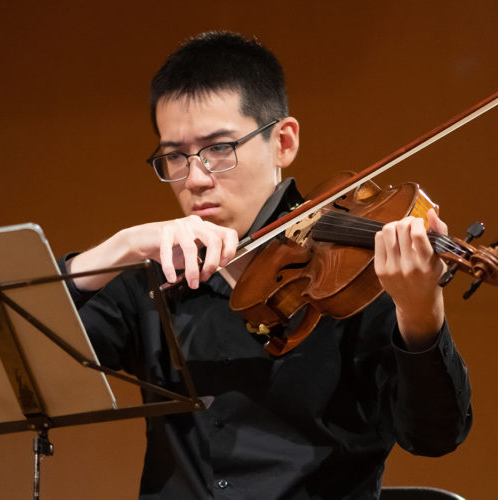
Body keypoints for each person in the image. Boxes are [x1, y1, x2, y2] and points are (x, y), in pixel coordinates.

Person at [59, 31, 472, 499]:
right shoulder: (153, 271)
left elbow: (435, 436)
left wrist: (419, 314)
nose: (195, 180)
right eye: (175, 156)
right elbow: (32, 365)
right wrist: (115, 250)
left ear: (283, 141)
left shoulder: (358, 275)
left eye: (219, 149)